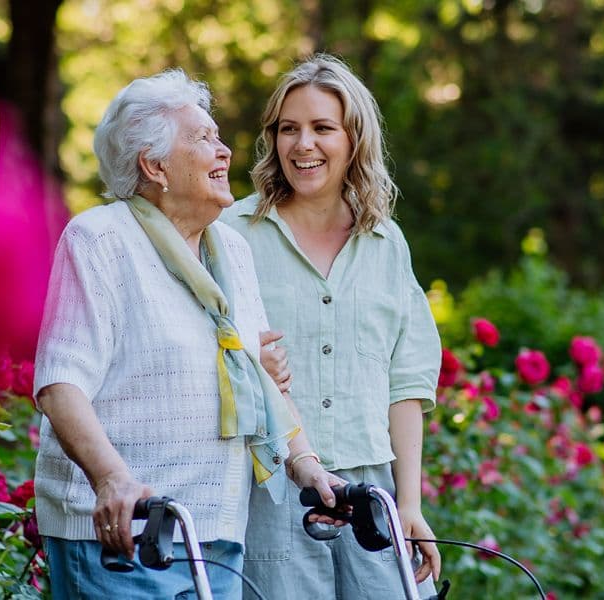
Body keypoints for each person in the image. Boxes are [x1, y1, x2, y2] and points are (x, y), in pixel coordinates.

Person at [32, 69, 342, 600]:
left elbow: (255, 378)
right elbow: (60, 383)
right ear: (155, 165)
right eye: (204, 139)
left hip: (215, 532)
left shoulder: (231, 251)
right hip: (125, 535)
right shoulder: (101, 240)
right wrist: (111, 478)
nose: (225, 152)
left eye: (218, 137)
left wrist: (306, 463)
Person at [221, 54, 443, 599]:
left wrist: (408, 506)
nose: (303, 145)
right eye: (289, 129)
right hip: (272, 491)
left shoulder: (386, 243)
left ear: (354, 140)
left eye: (323, 128)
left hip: (373, 494)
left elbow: (406, 384)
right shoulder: (230, 234)